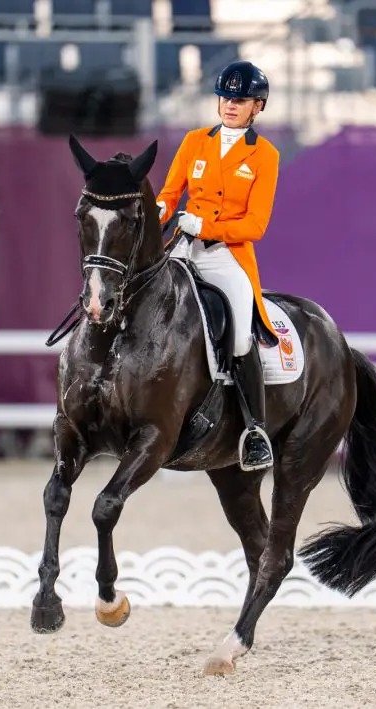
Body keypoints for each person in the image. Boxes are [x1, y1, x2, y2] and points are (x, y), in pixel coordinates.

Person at [155, 60, 280, 472]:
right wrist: (154, 211)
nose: (230, 105)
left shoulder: (264, 156)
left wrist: (205, 225)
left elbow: (255, 225)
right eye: (226, 97)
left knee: (241, 337)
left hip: (228, 255)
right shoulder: (194, 142)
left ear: (256, 107)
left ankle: (254, 430)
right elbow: (171, 193)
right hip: (183, 247)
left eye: (240, 99)